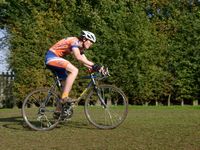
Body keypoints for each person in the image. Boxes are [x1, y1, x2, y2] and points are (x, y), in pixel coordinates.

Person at [45, 30, 103, 108]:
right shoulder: (74, 41)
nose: (91, 44)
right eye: (91, 41)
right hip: (51, 57)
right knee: (74, 70)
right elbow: (78, 57)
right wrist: (94, 65)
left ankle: (58, 112)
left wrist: (94, 68)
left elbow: (84, 61)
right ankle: (64, 98)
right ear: (84, 39)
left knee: (65, 87)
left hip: (56, 59)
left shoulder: (79, 46)